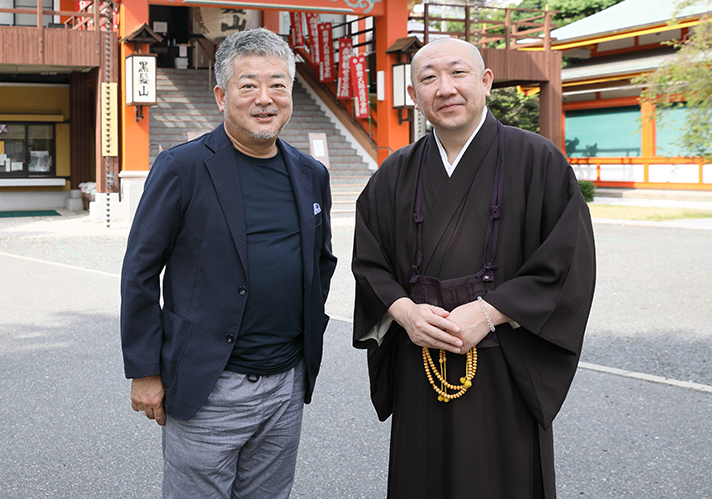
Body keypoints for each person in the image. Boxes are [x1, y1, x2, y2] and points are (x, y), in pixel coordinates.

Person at [352, 37, 596, 499]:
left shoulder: (537, 160)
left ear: (485, 82)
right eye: (429, 78)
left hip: (504, 366)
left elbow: (568, 261)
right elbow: (369, 261)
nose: (445, 88)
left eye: (458, 73)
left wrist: (489, 312)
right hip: (419, 358)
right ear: (414, 95)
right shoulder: (394, 173)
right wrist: (405, 313)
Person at [121, 27, 337, 498]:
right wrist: (144, 370)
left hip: (285, 382)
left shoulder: (310, 173)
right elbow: (139, 271)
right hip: (210, 384)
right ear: (222, 95)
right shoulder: (183, 167)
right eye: (249, 85)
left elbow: (321, 262)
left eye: (278, 85)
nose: (265, 98)